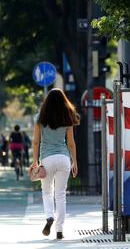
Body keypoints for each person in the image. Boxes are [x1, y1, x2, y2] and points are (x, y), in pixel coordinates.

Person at [31, 88, 79, 240]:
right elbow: (71, 143)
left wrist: (35, 161)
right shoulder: (67, 116)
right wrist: (74, 161)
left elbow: (36, 141)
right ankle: (59, 231)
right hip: (63, 158)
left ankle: (49, 217)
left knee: (47, 192)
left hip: (47, 159)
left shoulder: (40, 118)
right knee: (61, 195)